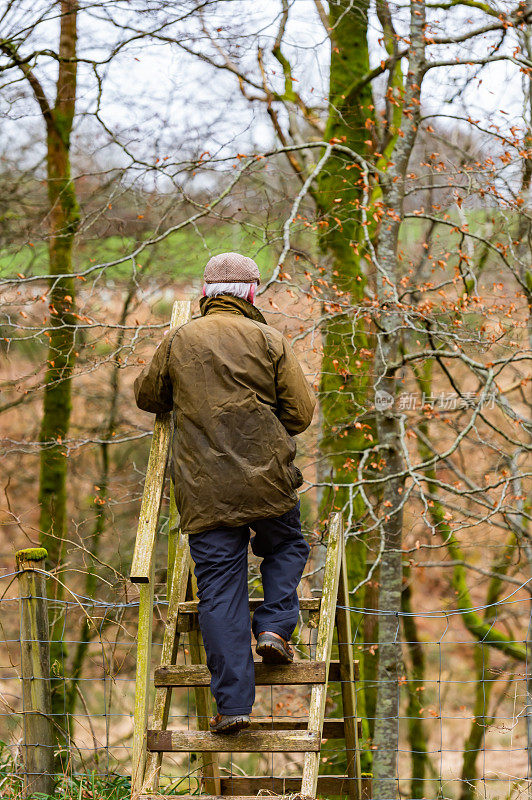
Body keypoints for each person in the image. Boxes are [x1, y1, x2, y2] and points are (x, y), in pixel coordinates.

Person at [134, 252, 316, 734]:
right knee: (286, 545)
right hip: (268, 479)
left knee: (219, 592)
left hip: (204, 490)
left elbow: (148, 396)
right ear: (252, 292)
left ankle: (233, 707)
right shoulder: (269, 339)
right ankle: (276, 626)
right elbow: (300, 413)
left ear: (206, 294)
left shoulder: (179, 340)